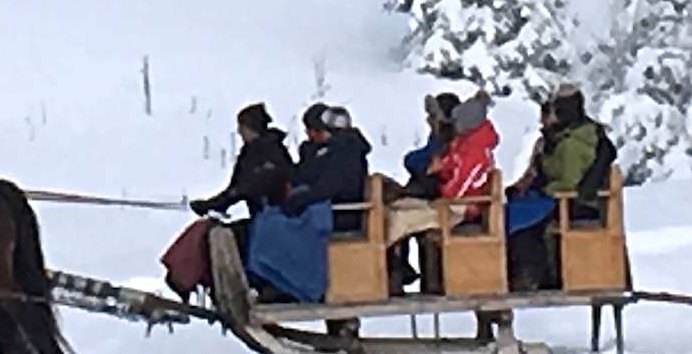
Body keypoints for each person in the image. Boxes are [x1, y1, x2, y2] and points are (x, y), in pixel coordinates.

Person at [164, 102, 291, 299]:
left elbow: (247, 188)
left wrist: (214, 204)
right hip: (264, 218)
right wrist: (212, 204)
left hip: (276, 220)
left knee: (227, 238)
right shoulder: (256, 151)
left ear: (250, 128)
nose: (239, 132)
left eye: (241, 127)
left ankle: (246, 288)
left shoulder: (268, 152)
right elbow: (237, 189)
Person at [245, 103, 370, 302]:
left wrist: (297, 200)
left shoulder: (345, 152)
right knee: (267, 220)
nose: (310, 135)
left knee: (274, 227)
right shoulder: (324, 151)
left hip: (339, 214)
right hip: (324, 207)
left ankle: (295, 283)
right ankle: (275, 280)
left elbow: (328, 187)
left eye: (313, 131)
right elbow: (305, 175)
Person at [385, 93, 499, 290]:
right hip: (449, 202)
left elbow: (460, 185)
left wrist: (442, 183)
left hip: (457, 208)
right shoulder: (465, 144)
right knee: (396, 208)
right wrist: (441, 167)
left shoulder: (475, 149)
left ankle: (384, 270)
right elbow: (452, 165)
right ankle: (394, 269)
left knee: (399, 218)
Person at [506, 85, 611, 289]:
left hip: (573, 202)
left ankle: (531, 275)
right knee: (515, 211)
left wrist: (544, 189)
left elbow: (568, 181)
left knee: (520, 221)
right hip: (558, 197)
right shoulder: (558, 139)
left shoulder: (572, 144)